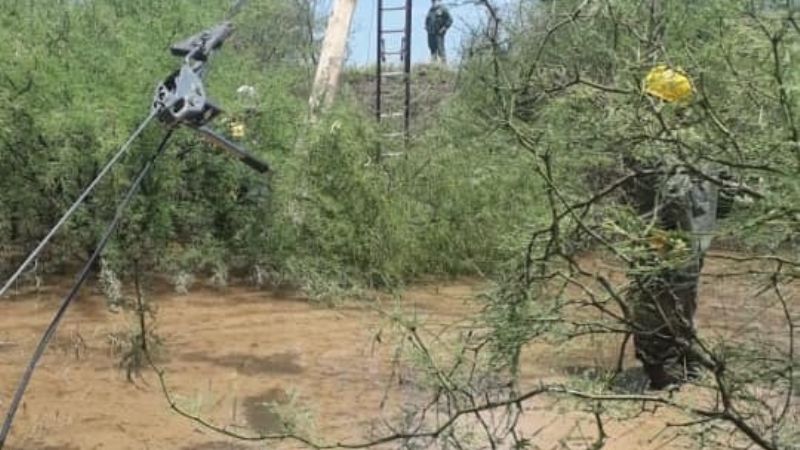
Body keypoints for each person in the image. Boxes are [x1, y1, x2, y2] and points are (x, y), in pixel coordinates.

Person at [623, 161, 735, 390]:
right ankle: (665, 362)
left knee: (672, 285)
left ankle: (674, 358)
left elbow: (725, 189)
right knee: (663, 285)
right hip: (673, 224)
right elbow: (726, 191)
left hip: (685, 223)